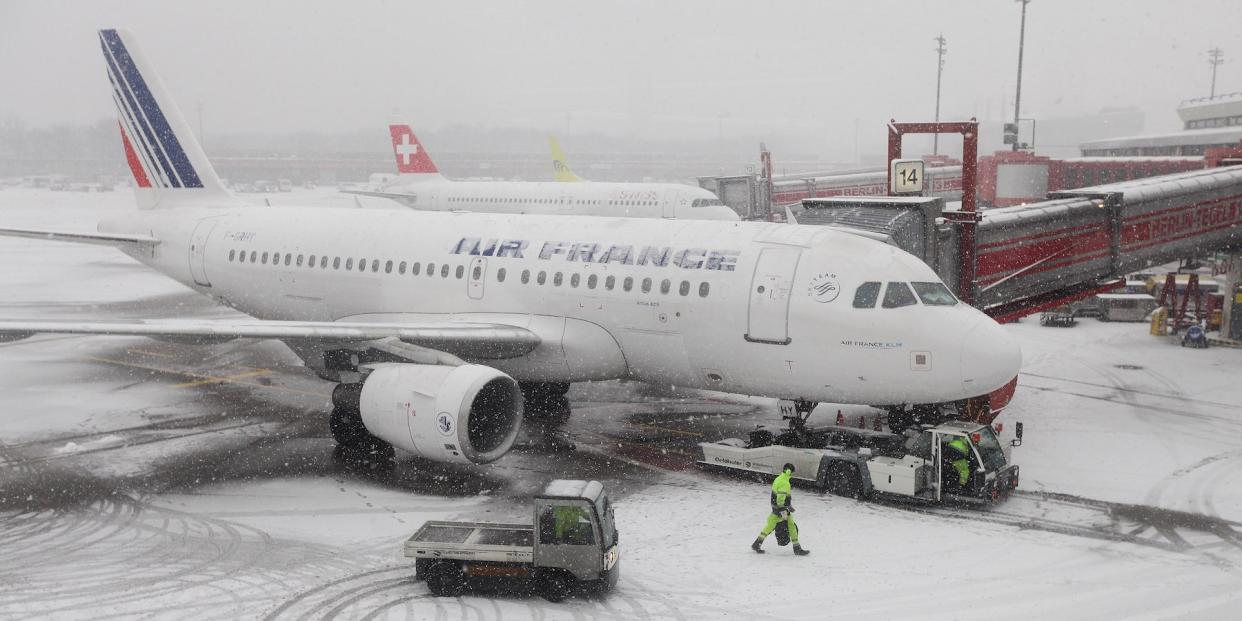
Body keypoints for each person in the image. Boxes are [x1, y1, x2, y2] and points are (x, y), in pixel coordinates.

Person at [751, 463, 810, 556]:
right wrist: (783, 512)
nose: (791, 474)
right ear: (788, 471)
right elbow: (780, 499)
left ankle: (757, 544)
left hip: (776, 509)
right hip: (781, 510)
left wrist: (789, 506)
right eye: (791, 472)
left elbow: (780, 496)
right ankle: (797, 549)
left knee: (770, 526)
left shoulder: (778, 479)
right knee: (791, 527)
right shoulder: (785, 483)